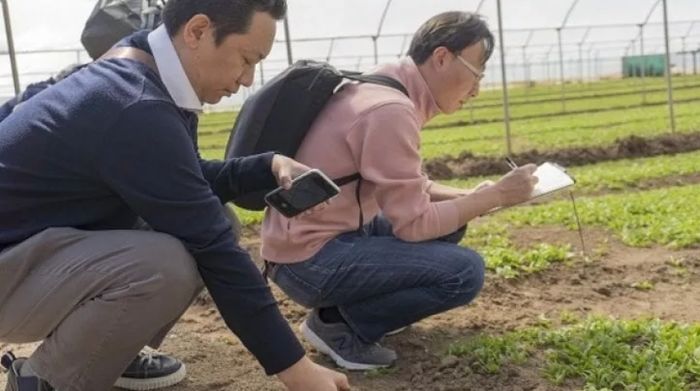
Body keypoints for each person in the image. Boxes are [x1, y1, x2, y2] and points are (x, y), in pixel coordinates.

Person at [0, 1, 350, 390]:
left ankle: (112, 351)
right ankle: (42, 382)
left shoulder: (140, 67)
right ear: (198, 31)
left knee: (210, 224)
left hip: (24, 245)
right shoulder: (135, 105)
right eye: (246, 59)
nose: (248, 79)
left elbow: (180, 179)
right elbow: (213, 245)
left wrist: (267, 165)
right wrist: (297, 370)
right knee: (165, 265)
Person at [261, 11, 539, 370]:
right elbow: (415, 224)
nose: (477, 89)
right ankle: (341, 326)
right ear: (441, 58)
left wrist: (470, 196)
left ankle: (367, 309)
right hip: (309, 261)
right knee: (464, 272)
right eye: (476, 74)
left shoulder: (381, 85)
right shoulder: (390, 110)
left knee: (453, 223)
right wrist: (496, 196)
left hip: (313, 240)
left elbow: (408, 186)